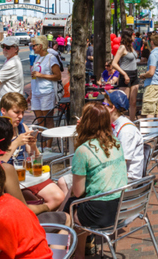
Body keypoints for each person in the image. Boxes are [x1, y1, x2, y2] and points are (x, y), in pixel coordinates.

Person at [58, 103, 127, 259]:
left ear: (87, 122)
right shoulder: (115, 142)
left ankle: (74, 253)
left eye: (83, 117)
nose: (79, 119)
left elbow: (78, 191)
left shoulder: (83, 150)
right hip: (121, 207)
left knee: (71, 208)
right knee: (71, 202)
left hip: (100, 212)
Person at [104, 91, 145, 181]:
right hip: (117, 173)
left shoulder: (126, 131)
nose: (102, 107)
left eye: (104, 104)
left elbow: (121, 163)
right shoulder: (115, 124)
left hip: (128, 179)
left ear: (112, 108)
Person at [29, 35, 61, 148]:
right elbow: (34, 78)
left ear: (41, 46)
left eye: (34, 45)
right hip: (36, 93)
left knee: (48, 120)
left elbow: (57, 76)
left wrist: (41, 75)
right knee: (39, 121)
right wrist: (32, 93)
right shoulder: (37, 58)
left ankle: (48, 146)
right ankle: (42, 146)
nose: (32, 47)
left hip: (46, 92)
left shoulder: (51, 58)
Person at [111, 28, 140, 120]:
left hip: (134, 74)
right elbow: (114, 63)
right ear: (129, 36)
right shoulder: (122, 47)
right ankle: (118, 121)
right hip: (126, 74)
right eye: (133, 34)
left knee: (133, 102)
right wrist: (124, 74)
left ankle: (132, 122)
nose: (134, 36)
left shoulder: (131, 46)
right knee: (123, 102)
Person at [139, 34, 158, 119]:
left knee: (149, 111)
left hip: (152, 85)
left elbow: (151, 72)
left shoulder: (153, 54)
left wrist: (143, 75)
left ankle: (150, 131)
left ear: (152, 42)